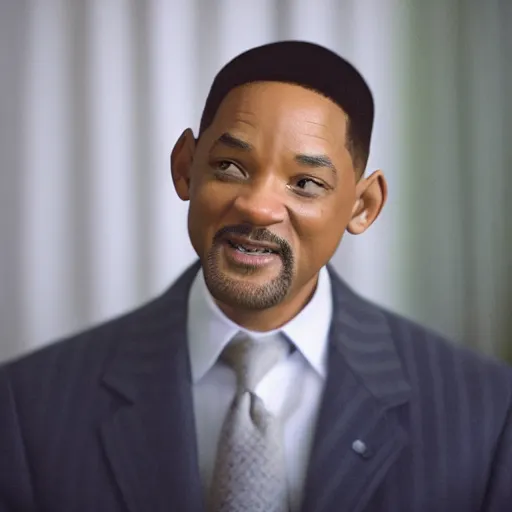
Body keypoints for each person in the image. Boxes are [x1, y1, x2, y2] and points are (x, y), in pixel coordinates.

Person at [0, 41, 510, 512]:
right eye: (230, 167)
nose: (258, 206)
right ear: (185, 167)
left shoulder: (484, 412)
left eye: (305, 182)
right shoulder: (31, 405)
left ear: (363, 205)